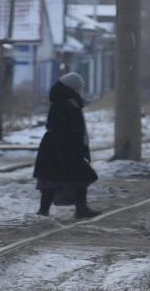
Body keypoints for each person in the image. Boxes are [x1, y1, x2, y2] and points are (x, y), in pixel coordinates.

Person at [33, 71, 100, 219]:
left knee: (52, 179)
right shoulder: (65, 102)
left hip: (58, 147)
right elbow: (65, 127)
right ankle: (79, 209)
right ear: (72, 87)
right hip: (62, 148)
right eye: (79, 87)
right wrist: (77, 147)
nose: (80, 90)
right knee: (78, 177)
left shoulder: (66, 100)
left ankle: (46, 210)